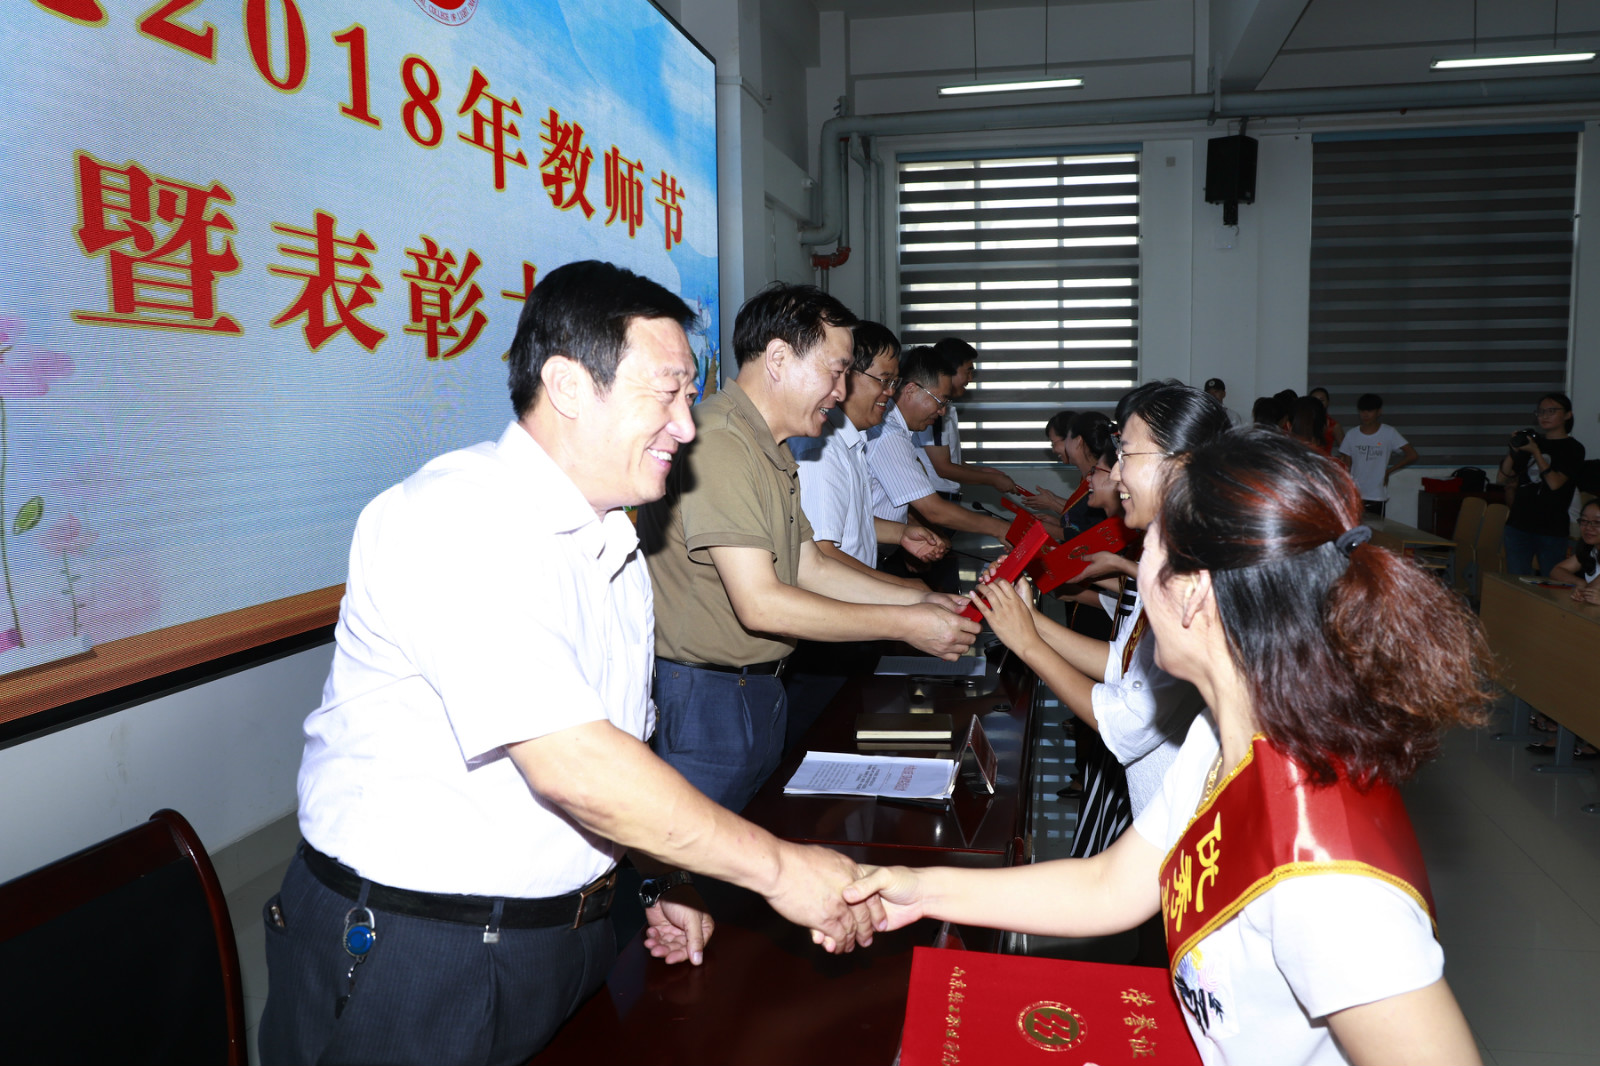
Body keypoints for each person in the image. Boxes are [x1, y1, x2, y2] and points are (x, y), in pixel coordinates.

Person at [258, 261, 885, 1066]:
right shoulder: (457, 519)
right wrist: (778, 871)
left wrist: (662, 876)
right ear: (567, 386)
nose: (686, 426)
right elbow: (574, 765)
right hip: (420, 950)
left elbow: (621, 749)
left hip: (566, 933)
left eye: (689, 395)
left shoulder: (613, 535)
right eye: (664, 393)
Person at [847, 428, 1491, 1066]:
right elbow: (1110, 886)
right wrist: (913, 888)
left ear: (1192, 594)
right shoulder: (1224, 736)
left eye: (1147, 553)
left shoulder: (1328, 881)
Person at [640, 285, 978, 813]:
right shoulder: (722, 442)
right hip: (706, 697)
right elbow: (763, 603)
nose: (842, 391)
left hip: (756, 690)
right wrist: (905, 624)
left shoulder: (768, 446)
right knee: (698, 879)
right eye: (836, 370)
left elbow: (810, 564)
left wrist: (916, 602)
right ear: (778, 358)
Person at [965, 382, 1227, 827]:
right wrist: (1028, 620)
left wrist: (1029, 644)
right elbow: (1119, 665)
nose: (1116, 474)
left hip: (1180, 825)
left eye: (1127, 455)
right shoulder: (1164, 556)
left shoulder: (1194, 580)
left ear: (1180, 464)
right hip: (1150, 812)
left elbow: (1126, 723)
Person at [789, 321, 947, 586]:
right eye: (884, 381)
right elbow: (822, 554)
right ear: (847, 375)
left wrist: (901, 534)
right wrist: (903, 588)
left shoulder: (855, 439)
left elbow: (848, 522)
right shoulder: (823, 448)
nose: (890, 392)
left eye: (894, 382)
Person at [864, 345, 1014, 556]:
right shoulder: (889, 435)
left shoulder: (898, 430)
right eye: (940, 401)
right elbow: (933, 509)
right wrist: (1001, 528)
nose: (942, 411)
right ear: (911, 390)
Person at [912, 336, 1019, 497]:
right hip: (936, 495)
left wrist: (984, 471)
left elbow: (951, 461)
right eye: (968, 371)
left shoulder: (946, 409)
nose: (970, 379)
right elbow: (943, 468)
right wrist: (991, 480)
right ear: (948, 370)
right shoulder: (934, 412)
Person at [1499, 393, 1586, 577]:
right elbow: (1503, 478)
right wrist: (1513, 451)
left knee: (1551, 583)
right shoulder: (1532, 441)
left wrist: (1536, 453)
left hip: (1551, 528)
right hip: (1518, 524)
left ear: (1568, 415)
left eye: (1551, 411)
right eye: (1540, 412)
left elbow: (1555, 484)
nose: (1544, 416)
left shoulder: (1573, 448)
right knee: (1517, 581)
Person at [1337, 393, 1418, 516]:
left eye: (1370, 411)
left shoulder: (1388, 432)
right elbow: (1346, 464)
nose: (1365, 415)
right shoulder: (1352, 435)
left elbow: (1412, 455)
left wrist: (1388, 471)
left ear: (1379, 412)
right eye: (1362, 411)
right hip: (1354, 494)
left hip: (1376, 494)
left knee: (1377, 531)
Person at [1550, 498, 1600, 603]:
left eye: (1596, 522)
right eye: (1584, 521)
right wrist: (1580, 583)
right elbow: (1556, 571)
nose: (1588, 527)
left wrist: (1584, 589)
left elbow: (1591, 589)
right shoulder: (1591, 549)